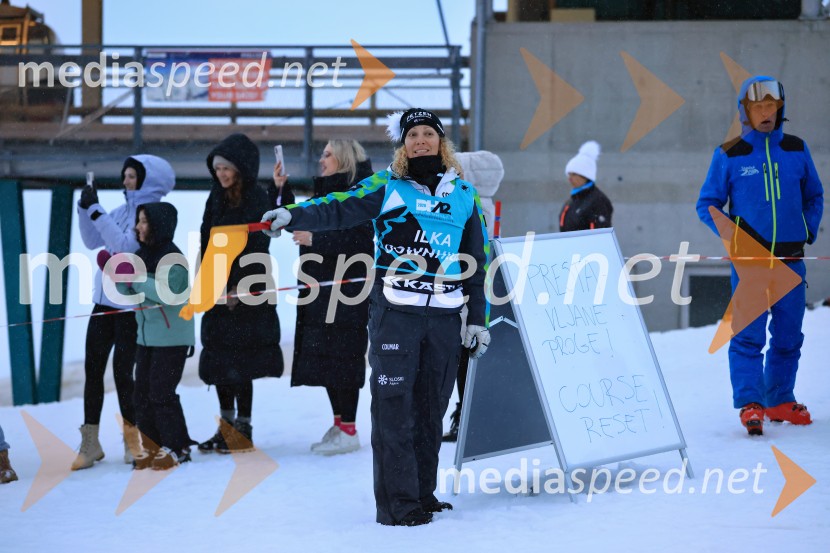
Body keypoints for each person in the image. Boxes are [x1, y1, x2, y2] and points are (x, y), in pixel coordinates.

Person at [262, 108, 491, 527]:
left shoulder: (464, 194)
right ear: (403, 144)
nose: (421, 140)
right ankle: (397, 505)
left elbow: (479, 259)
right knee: (394, 411)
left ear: (441, 142)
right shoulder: (388, 185)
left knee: (430, 411)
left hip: (444, 319)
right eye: (413, 135)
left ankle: (422, 494)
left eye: (428, 133)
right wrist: (293, 214)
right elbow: (338, 207)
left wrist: (478, 319)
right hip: (395, 317)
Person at [696, 76, 824, 436]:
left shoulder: (797, 149)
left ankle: (780, 399)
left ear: (780, 110)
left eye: (772, 107)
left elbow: (815, 196)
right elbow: (707, 204)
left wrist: (806, 228)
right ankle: (751, 403)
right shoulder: (730, 153)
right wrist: (736, 241)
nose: (766, 113)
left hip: (791, 260)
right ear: (745, 111)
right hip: (751, 264)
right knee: (749, 336)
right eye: (758, 107)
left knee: (788, 336)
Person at [74, 155, 175, 470]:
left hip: (131, 307)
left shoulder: (149, 216)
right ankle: (90, 441)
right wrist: (84, 208)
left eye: (132, 176)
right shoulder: (118, 213)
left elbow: (127, 247)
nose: (125, 181)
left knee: (123, 375)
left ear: (147, 180)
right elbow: (92, 240)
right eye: (125, 176)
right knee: (93, 370)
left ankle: (133, 441)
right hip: (103, 303)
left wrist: (96, 211)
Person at [274, 140, 374, 456]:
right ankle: (340, 423)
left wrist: (316, 238)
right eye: (322, 153)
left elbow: (362, 241)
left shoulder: (360, 194)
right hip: (319, 288)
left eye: (328, 154)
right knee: (327, 358)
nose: (321, 159)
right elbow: (299, 217)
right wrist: (281, 190)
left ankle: (350, 428)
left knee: (344, 355)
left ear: (344, 159)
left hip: (347, 293)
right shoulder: (325, 193)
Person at [197, 133, 283, 454]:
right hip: (217, 288)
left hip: (249, 290)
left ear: (241, 168)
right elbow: (207, 243)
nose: (220, 174)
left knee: (242, 361)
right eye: (217, 168)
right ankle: (226, 426)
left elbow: (259, 244)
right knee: (220, 358)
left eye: (226, 168)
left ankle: (243, 427)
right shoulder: (214, 197)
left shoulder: (257, 197)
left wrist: (239, 286)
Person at [112, 202, 195, 470]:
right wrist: (119, 279)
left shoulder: (174, 258)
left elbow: (168, 293)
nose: (137, 226)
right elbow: (135, 293)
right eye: (138, 221)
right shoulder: (142, 255)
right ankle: (152, 447)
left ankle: (178, 447)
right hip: (146, 337)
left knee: (161, 392)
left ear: (158, 225)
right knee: (141, 395)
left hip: (172, 338)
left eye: (144, 221)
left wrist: (134, 278)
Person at [442, 150, 505, 443]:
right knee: (468, 359)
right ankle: (467, 416)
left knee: (467, 359)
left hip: (471, 294)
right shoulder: (478, 203)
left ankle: (467, 418)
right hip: (475, 292)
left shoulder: (474, 205)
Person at [558, 140, 613, 232]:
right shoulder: (572, 200)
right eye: (569, 174)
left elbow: (599, 236)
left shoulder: (598, 201)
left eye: (574, 174)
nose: (570, 178)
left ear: (586, 176)